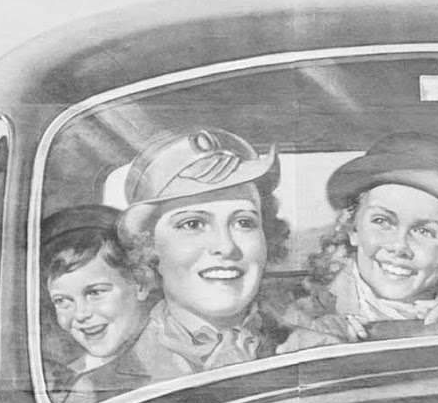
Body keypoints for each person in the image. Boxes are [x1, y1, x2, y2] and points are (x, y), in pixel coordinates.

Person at [116, 128, 332, 375]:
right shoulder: (106, 380)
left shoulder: (321, 352)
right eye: (193, 224)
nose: (226, 246)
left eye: (244, 222)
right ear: (148, 248)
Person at [288, 134, 438, 340]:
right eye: (382, 221)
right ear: (353, 229)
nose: (399, 246)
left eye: (424, 231)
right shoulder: (300, 318)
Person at [40, 206, 152, 403]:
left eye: (95, 292)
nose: (81, 314)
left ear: (141, 283)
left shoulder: (162, 364)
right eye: (62, 301)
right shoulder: (67, 374)